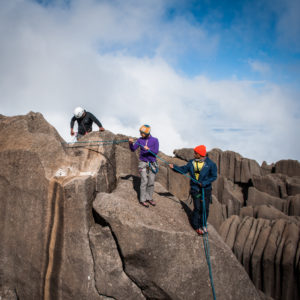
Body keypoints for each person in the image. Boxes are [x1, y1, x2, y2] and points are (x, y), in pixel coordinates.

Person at [169, 145, 217, 235]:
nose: (194, 154)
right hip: (195, 189)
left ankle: (203, 224)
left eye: (196, 153)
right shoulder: (191, 163)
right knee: (197, 208)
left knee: (205, 208)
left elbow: (214, 176)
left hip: (206, 190)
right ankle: (196, 226)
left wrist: (205, 182)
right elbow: (183, 170)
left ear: (200, 154)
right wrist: (174, 167)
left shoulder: (211, 164)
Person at [129, 125, 159, 208]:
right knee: (144, 180)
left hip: (152, 163)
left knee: (151, 181)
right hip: (143, 162)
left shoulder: (155, 140)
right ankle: (142, 199)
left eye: (142, 133)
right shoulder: (139, 140)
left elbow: (156, 152)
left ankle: (149, 197)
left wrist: (149, 149)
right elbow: (133, 149)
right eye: (140, 132)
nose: (141, 134)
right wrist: (130, 143)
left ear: (147, 132)